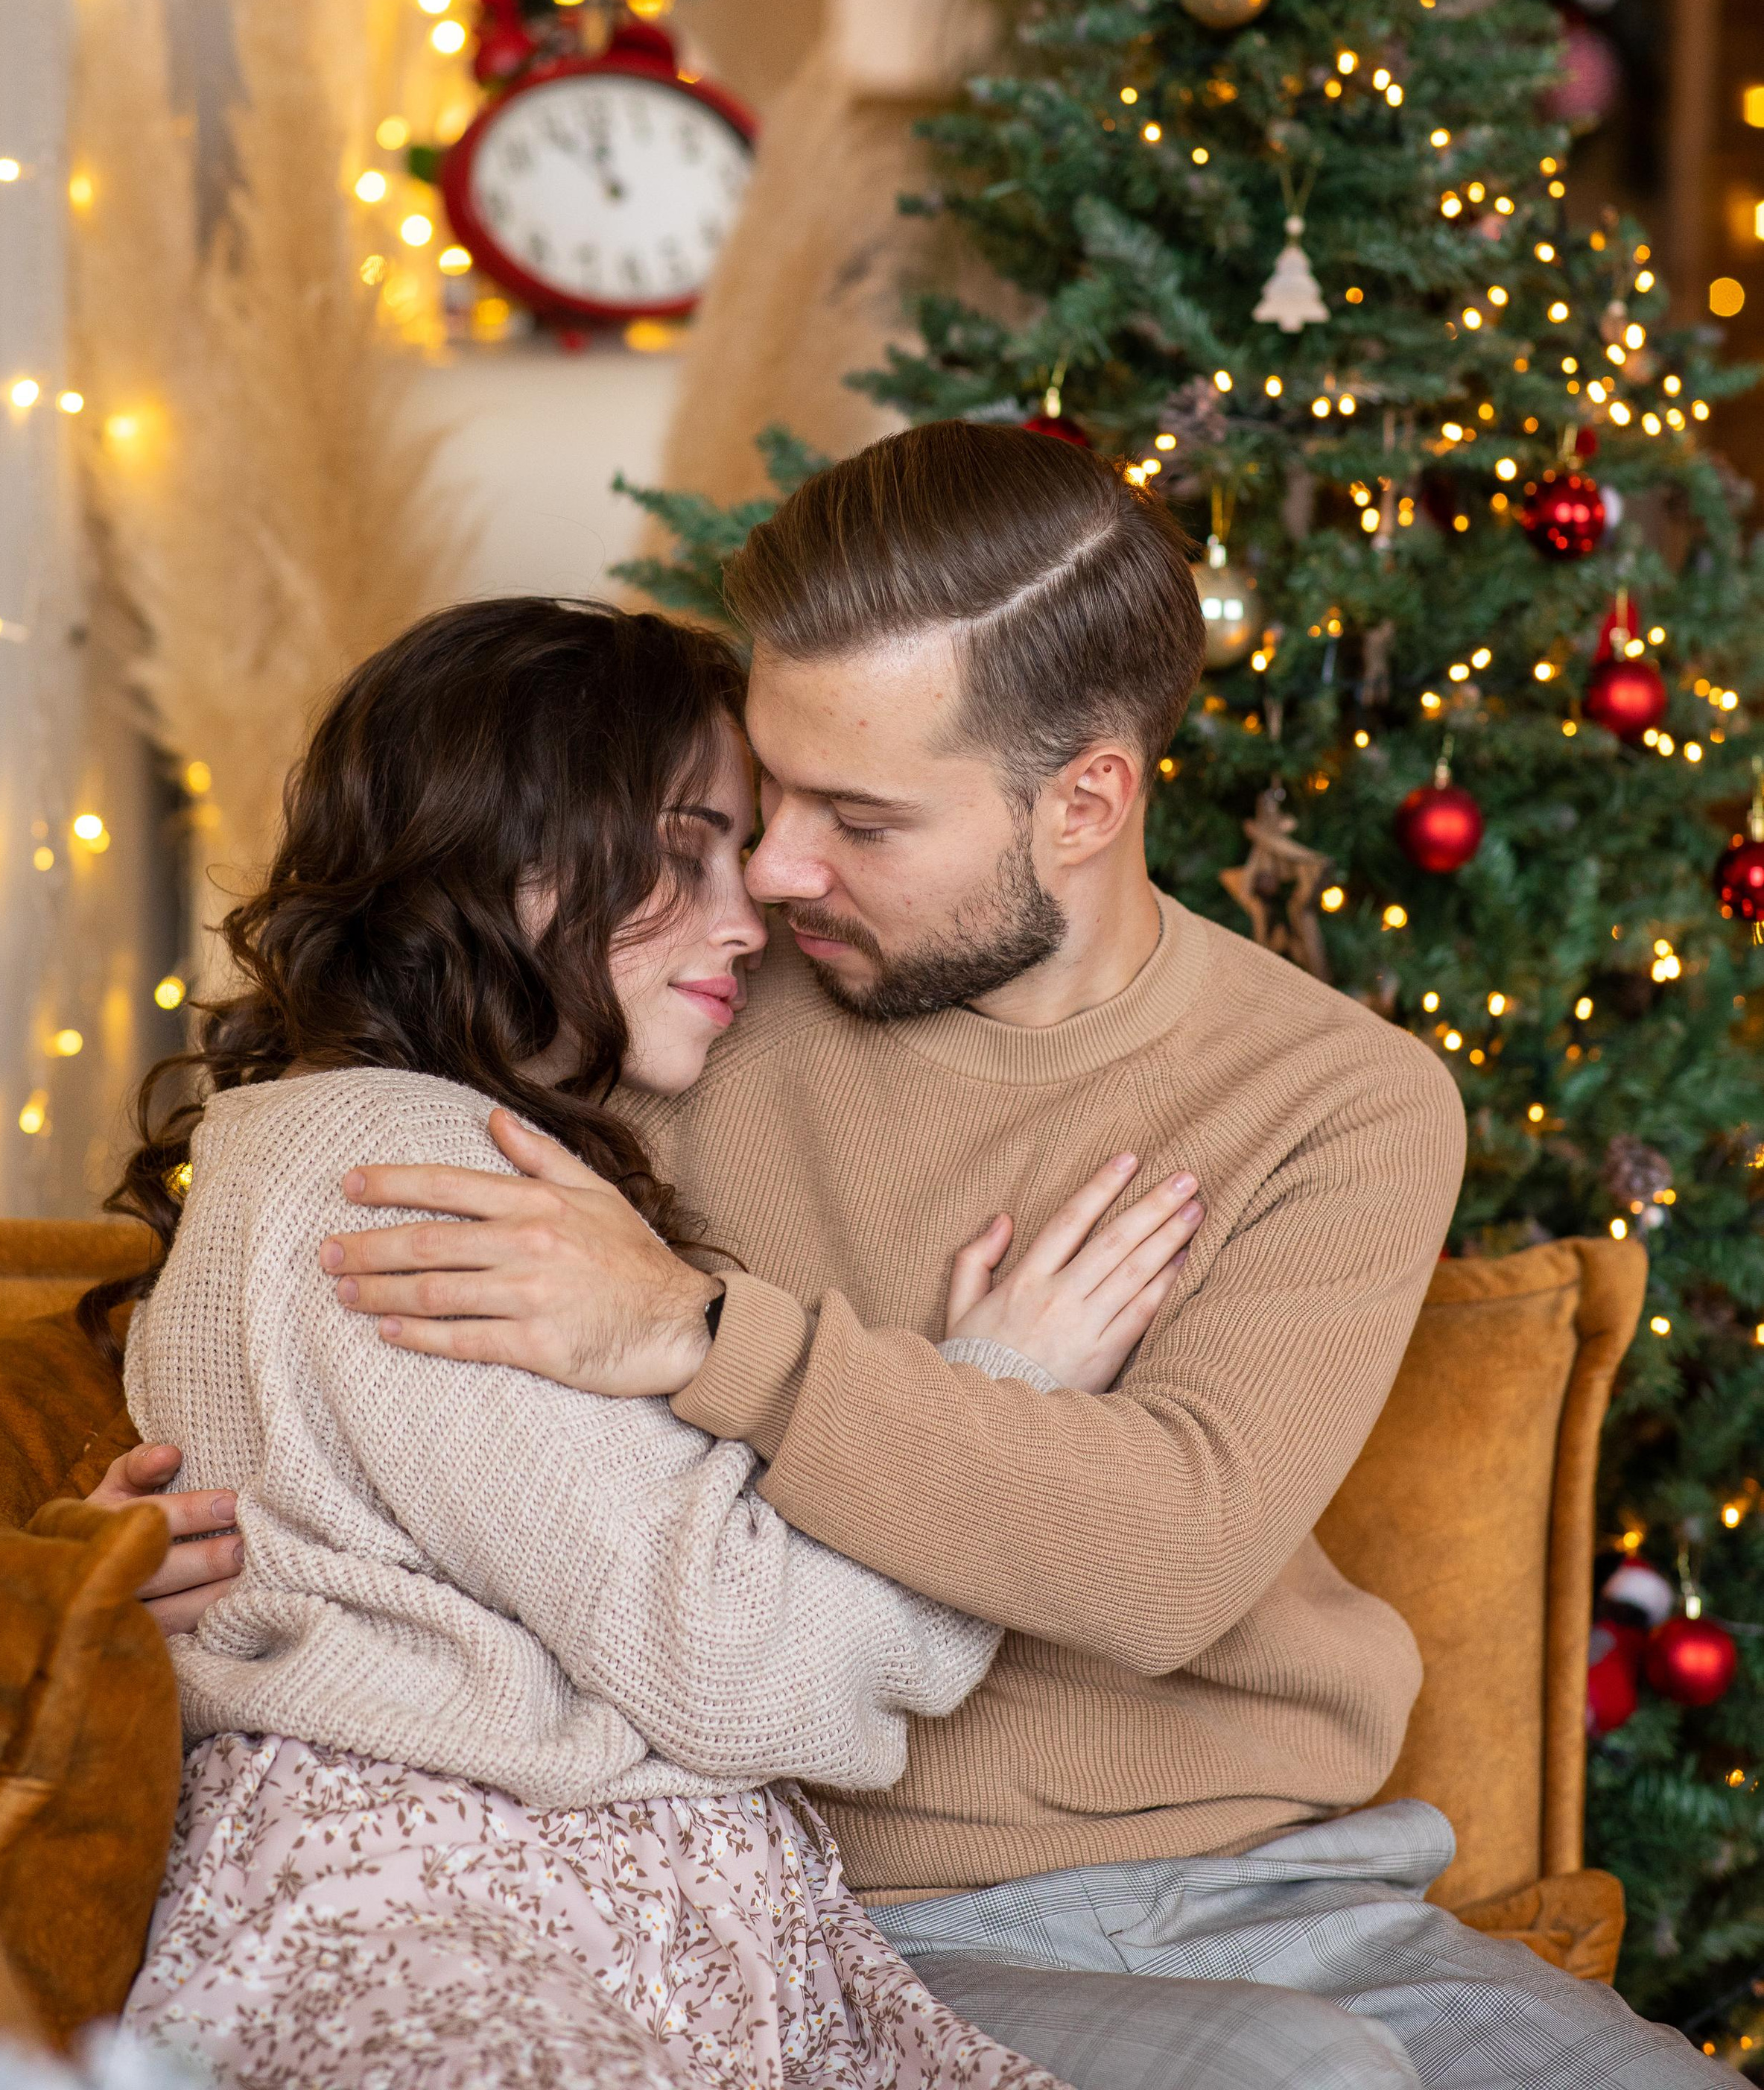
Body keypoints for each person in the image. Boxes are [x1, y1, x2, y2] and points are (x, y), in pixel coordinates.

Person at [127, 419, 1708, 2090]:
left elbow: (1165, 1557)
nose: (778, 873)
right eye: (762, 795)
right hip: (852, 1897)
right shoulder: (665, 1002)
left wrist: (703, 1336)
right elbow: (344, 1299)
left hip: (1279, 1880)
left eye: (858, 819)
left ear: (1083, 800)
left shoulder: (1336, 1098)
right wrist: (110, 1560)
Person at [94, 595, 1200, 2090]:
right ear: (508, 857)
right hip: (471, 1931)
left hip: (572, 1921)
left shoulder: (387, 1147)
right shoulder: (408, 1181)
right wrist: (1000, 1393)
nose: (748, 917)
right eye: (685, 852)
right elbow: (737, 1664)